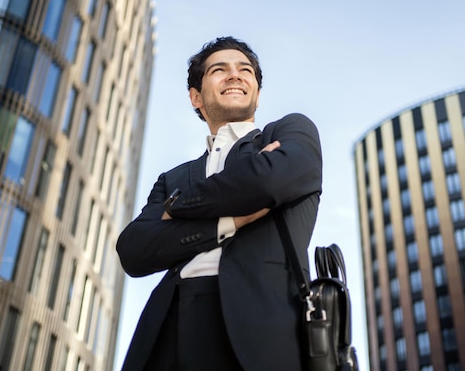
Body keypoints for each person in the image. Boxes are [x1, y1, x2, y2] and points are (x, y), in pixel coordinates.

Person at [117, 36, 323, 371]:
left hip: (260, 328)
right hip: (170, 327)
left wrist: (176, 208)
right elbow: (134, 249)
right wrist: (228, 222)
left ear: (256, 92)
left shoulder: (289, 132)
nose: (234, 75)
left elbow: (265, 181)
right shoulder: (173, 177)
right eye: (219, 69)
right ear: (195, 97)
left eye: (245, 70)